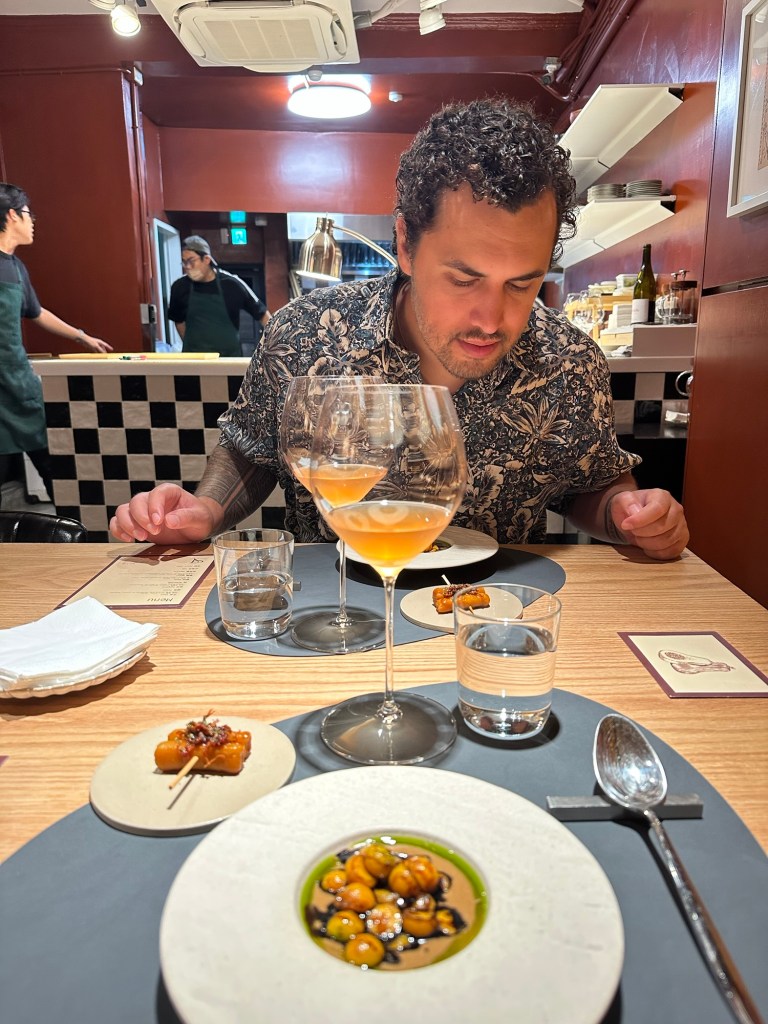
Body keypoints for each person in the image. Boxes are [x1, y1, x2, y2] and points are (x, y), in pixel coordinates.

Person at [111, 99, 689, 561]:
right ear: (407, 243)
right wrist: (206, 509)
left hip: (492, 623)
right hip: (336, 616)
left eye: (522, 284)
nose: (492, 319)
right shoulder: (305, 333)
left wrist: (627, 514)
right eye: (463, 279)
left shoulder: (569, 360)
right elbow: (252, 452)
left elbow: (590, 483)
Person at [0, 182, 112, 508]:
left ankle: (73, 529)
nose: (33, 221)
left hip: (18, 383)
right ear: (12, 215)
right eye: (28, 213)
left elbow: (36, 313)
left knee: (56, 470)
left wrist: (81, 336)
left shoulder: (16, 267)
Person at [168, 235, 271, 357]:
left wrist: (273, 347)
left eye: (191, 261)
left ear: (206, 259)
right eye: (184, 262)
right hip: (195, 361)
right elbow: (179, 322)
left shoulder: (232, 284)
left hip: (229, 361)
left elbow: (264, 315)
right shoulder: (179, 287)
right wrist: (193, 349)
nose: (187, 267)